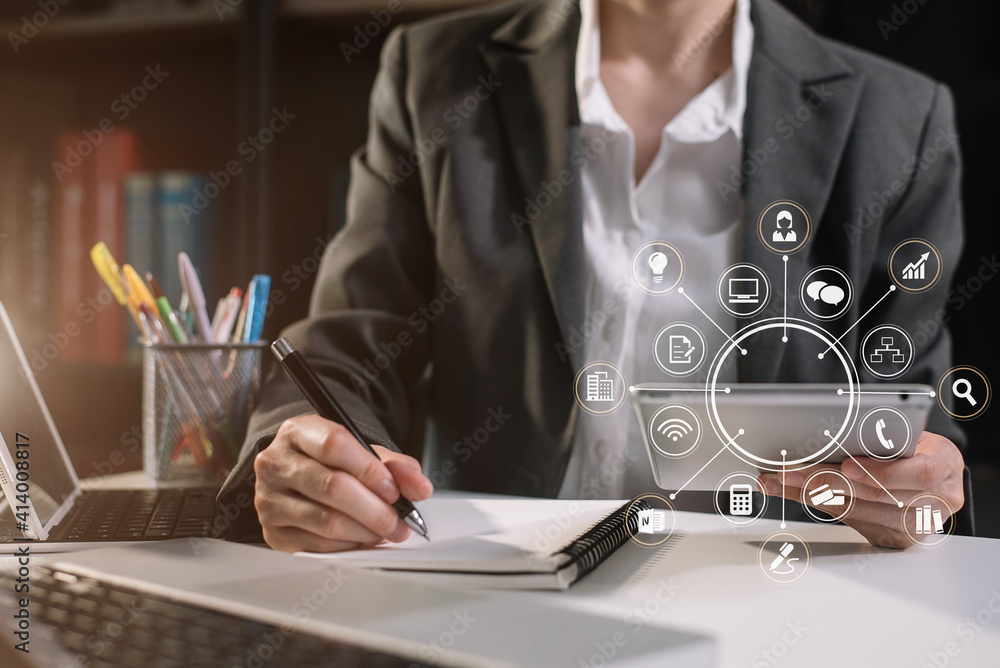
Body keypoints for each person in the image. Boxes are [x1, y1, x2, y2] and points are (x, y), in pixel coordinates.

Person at [218, 0, 971, 552]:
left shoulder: (898, 119)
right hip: (494, 590)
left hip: (776, 596)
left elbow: (917, 413)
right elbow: (348, 345)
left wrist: (924, 486)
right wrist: (303, 455)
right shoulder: (435, 76)